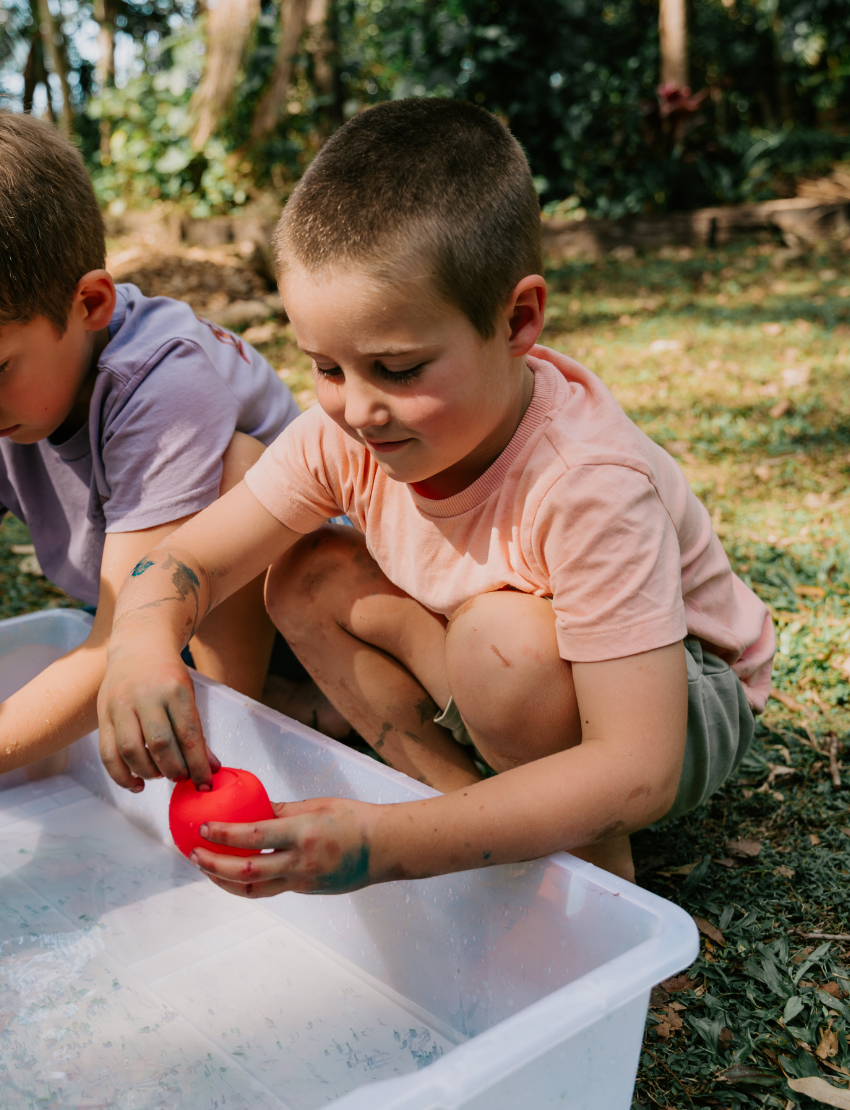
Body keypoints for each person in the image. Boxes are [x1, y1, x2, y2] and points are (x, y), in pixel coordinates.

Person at [97, 98, 775, 884]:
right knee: (306, 573)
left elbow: (639, 766)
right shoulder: (348, 433)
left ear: (518, 319)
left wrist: (383, 846)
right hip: (496, 648)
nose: (356, 408)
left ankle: (592, 874)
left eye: (400, 368)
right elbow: (193, 561)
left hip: (674, 703)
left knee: (503, 651)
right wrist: (140, 646)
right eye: (326, 367)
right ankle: (457, 806)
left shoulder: (587, 483)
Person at [0, 111, 308, 784]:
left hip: (305, 615)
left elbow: (121, 643)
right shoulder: (22, 388)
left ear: (90, 304)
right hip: (143, 613)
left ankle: (236, 727)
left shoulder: (163, 384)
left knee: (238, 473)